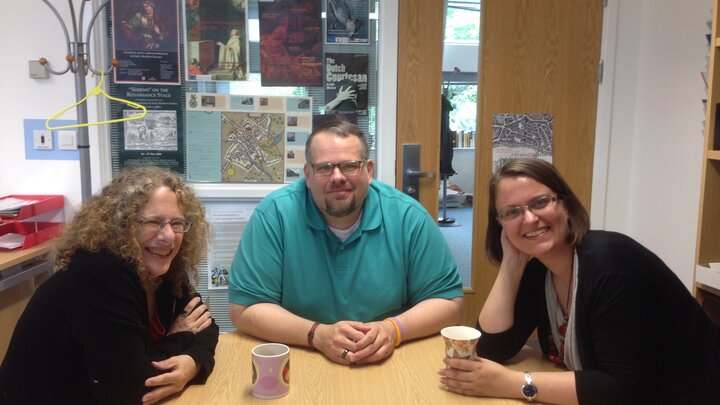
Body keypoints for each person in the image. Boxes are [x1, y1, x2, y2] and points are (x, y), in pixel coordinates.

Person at [438, 158, 720, 404]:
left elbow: (622, 390)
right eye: (511, 212)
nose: (529, 218)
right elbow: (492, 349)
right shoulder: (541, 271)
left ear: (566, 205)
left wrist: (514, 383)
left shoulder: (610, 263)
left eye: (540, 202)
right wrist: (512, 262)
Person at [229, 120, 464, 366]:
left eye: (350, 166)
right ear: (308, 175)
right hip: (300, 355)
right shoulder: (275, 215)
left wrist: (393, 329)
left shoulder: (408, 216)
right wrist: (317, 334)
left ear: (369, 171)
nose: (338, 177)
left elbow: (448, 302)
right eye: (324, 168)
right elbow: (245, 308)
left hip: (387, 358)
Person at [0, 166, 218, 405]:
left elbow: (206, 325)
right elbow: (130, 392)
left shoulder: (163, 267)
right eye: (153, 222)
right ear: (120, 225)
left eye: (177, 223)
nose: (168, 236)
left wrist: (192, 363)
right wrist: (180, 337)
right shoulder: (102, 275)